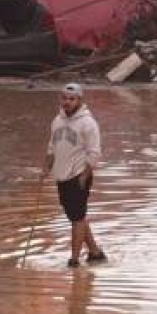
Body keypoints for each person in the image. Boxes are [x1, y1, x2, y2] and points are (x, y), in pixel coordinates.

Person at [42, 83, 106, 268]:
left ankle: (74, 260)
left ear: (79, 100)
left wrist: (84, 176)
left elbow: (95, 153)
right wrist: (46, 168)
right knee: (76, 216)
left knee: (77, 218)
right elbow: (51, 147)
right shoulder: (57, 121)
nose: (67, 102)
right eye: (64, 98)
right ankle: (95, 252)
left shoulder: (88, 123)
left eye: (72, 99)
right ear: (60, 99)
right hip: (61, 176)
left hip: (79, 176)